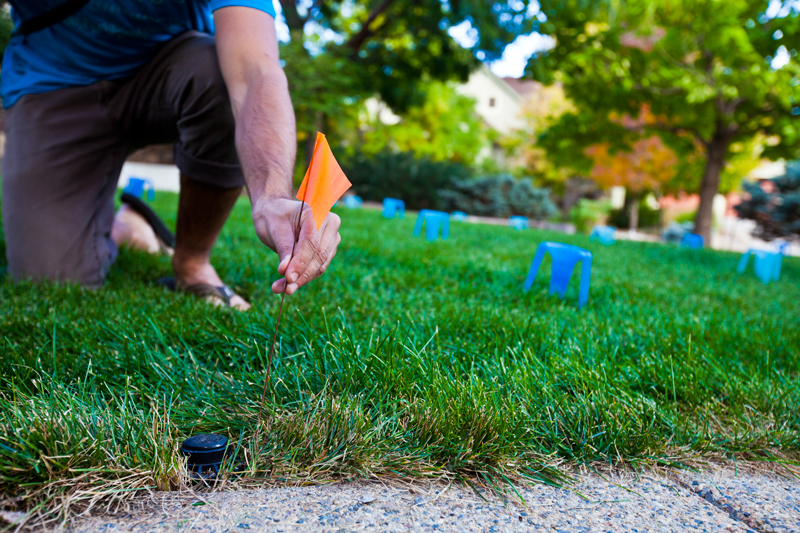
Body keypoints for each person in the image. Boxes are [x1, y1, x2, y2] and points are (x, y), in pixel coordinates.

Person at [1, 1, 343, 311]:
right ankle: (129, 227)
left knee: (220, 72)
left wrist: (272, 196)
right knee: (49, 279)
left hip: (172, 71)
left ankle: (192, 262)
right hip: (50, 82)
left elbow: (254, 70)